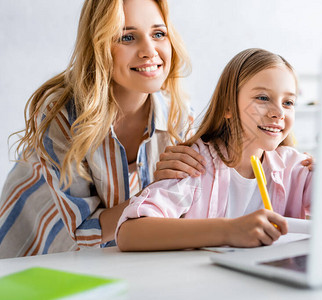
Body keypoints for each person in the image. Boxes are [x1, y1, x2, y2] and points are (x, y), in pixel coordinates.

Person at [0, 0, 206, 259]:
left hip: (100, 259)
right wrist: (156, 189)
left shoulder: (179, 117)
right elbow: (84, 230)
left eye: (158, 34)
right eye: (127, 37)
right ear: (98, 46)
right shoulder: (63, 116)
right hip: (26, 251)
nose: (149, 50)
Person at [116, 48, 313, 251]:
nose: (279, 112)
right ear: (227, 106)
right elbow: (129, 233)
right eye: (263, 98)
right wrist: (229, 231)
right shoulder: (196, 165)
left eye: (288, 102)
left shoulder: (294, 168)